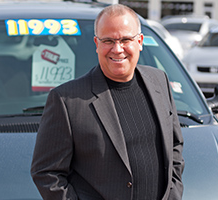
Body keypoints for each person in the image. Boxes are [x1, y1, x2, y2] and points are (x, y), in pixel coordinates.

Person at [31, 4, 184, 200]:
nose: (117, 49)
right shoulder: (67, 100)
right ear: (96, 43)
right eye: (108, 40)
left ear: (140, 41)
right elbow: (46, 173)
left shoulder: (159, 81)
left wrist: (173, 194)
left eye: (126, 39)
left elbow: (175, 146)